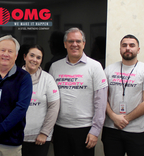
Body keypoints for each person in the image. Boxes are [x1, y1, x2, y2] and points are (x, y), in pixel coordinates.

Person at [48, 27, 108, 156]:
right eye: (70, 41)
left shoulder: (95, 66)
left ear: (83, 44)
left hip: (85, 129)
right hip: (60, 128)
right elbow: (51, 99)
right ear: (65, 44)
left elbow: (101, 101)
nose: (74, 44)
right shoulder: (55, 67)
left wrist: (95, 130)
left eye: (78, 41)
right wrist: (50, 129)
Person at [102, 34, 144, 156]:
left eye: (132, 45)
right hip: (111, 129)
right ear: (120, 49)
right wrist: (114, 117)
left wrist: (125, 119)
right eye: (124, 45)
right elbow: (102, 99)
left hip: (137, 131)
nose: (128, 48)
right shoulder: (109, 70)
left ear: (138, 49)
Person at [21, 45, 60, 156]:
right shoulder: (15, 76)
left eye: (38, 57)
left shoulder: (47, 79)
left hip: (40, 138)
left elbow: (54, 107)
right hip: (17, 137)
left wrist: (44, 133)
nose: (34, 60)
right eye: (31, 55)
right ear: (25, 56)